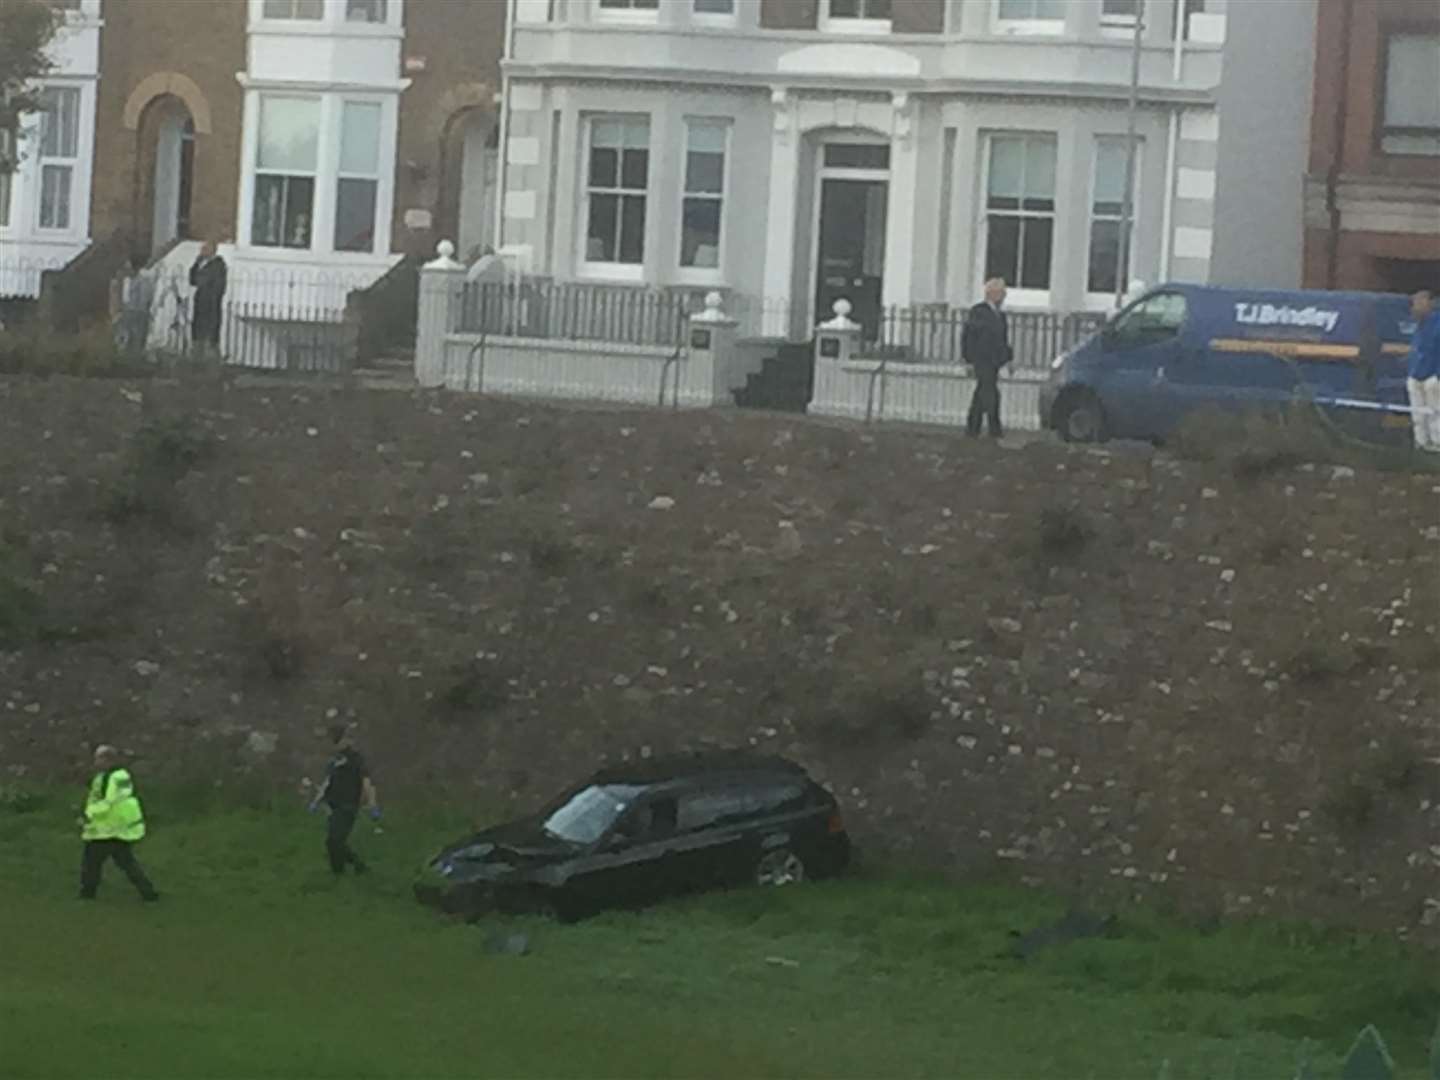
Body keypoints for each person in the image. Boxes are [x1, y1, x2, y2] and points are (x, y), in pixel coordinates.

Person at [79, 745, 159, 902]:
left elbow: (107, 802)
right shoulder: (121, 776)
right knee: (127, 863)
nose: (95, 762)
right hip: (119, 828)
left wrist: (88, 815)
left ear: (106, 759)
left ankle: (87, 895)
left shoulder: (109, 778)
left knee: (91, 862)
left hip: (105, 828)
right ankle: (148, 893)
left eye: (98, 758)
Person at [309, 724, 381, 876]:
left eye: (340, 740)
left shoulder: (356, 759)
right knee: (335, 841)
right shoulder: (334, 761)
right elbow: (327, 782)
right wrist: (316, 801)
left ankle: (341, 871)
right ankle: (353, 868)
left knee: (334, 840)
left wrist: (372, 804)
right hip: (332, 806)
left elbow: (367, 782)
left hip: (348, 805)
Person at [962, 277, 1013, 438]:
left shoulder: (1001, 316)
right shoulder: (978, 312)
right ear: (992, 293)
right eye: (1001, 292)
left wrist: (1008, 360)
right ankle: (994, 428)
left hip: (994, 362)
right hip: (981, 360)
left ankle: (973, 427)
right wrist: (968, 361)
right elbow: (968, 337)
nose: (1004, 296)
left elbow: (1003, 340)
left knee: (981, 396)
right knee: (991, 394)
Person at [1405, 288, 1440, 453]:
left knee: (1435, 413)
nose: (1416, 306)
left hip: (1433, 377)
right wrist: (1411, 372)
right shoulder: (1419, 324)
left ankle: (1437, 445)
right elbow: (1417, 350)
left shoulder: (1437, 323)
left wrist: (1437, 376)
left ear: (1431, 303)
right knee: (1418, 414)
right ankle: (1420, 445)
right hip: (1416, 375)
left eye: (1421, 301)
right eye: (1415, 302)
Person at [188, 239, 227, 358]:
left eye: (205, 248)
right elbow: (192, 280)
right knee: (197, 331)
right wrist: (196, 263)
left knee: (210, 333)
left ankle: (210, 356)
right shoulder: (201, 264)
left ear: (212, 250)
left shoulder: (218, 265)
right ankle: (196, 353)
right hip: (199, 303)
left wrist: (212, 296)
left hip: (210, 304)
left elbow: (217, 285)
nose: (202, 251)